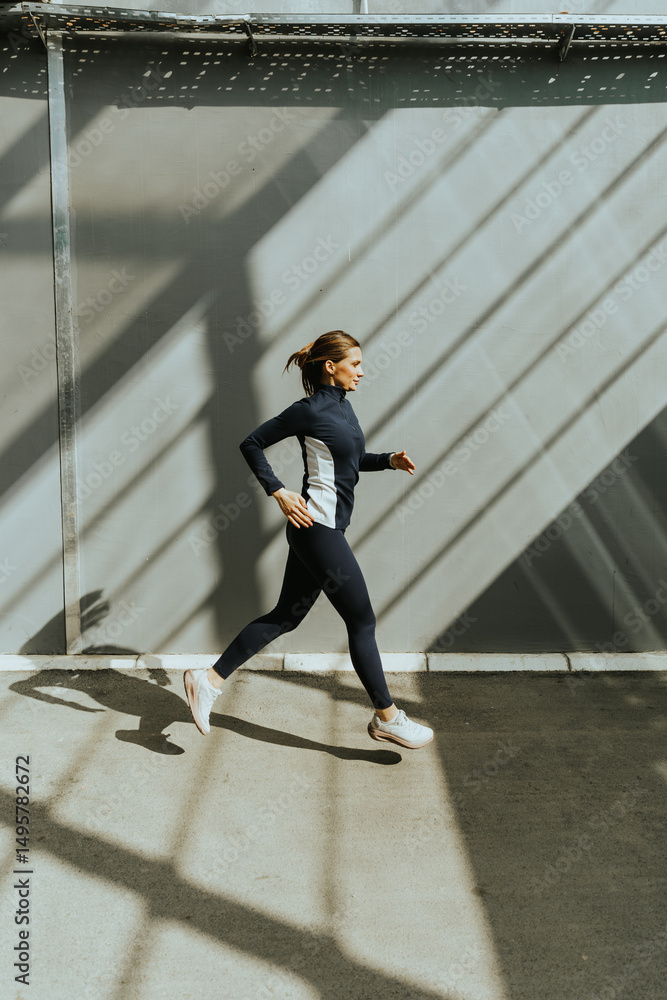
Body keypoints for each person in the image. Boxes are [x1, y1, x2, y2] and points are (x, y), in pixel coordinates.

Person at [184, 330, 433, 749]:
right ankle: (387, 716)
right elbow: (252, 443)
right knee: (362, 621)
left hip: (318, 531)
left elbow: (349, 461)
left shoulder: (344, 408)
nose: (362, 370)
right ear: (330, 367)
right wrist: (279, 492)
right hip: (316, 528)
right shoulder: (308, 411)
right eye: (355, 363)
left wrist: (387, 461)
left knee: (285, 615)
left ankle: (206, 680)